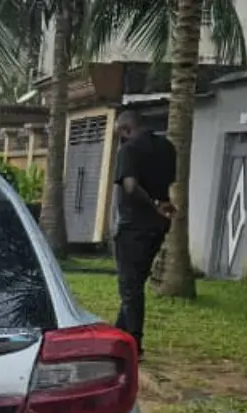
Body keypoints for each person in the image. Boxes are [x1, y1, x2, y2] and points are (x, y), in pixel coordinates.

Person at [110, 108, 177, 359]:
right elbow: (169, 183)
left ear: (126, 129)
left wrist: (153, 203)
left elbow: (130, 186)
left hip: (133, 226)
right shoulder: (167, 147)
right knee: (135, 284)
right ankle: (119, 334)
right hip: (158, 226)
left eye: (121, 133)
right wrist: (161, 205)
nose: (121, 138)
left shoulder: (128, 150)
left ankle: (134, 345)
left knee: (130, 287)